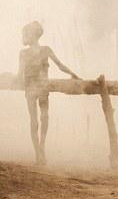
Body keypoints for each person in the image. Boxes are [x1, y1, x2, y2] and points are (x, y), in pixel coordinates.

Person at [18, 21, 81, 165]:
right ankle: (39, 153)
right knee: (37, 120)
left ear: (33, 35)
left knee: (41, 118)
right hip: (32, 89)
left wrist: (73, 74)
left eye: (25, 34)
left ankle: (41, 149)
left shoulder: (45, 50)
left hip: (41, 88)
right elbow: (19, 74)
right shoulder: (24, 53)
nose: (23, 37)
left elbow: (59, 65)